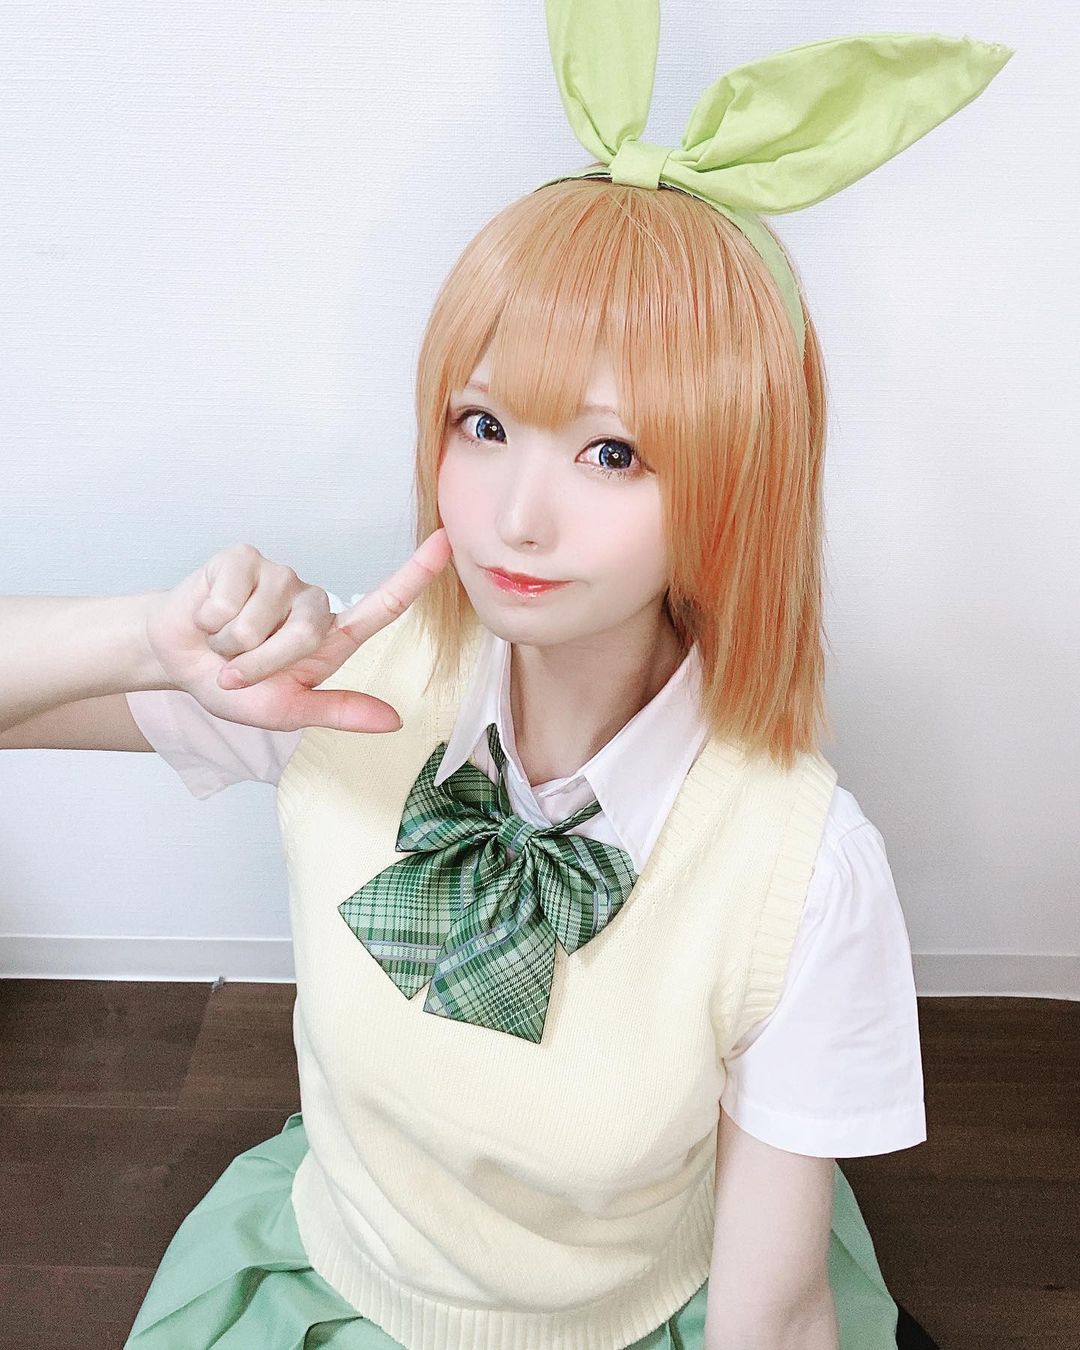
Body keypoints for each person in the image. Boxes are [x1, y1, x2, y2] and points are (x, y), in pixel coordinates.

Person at [0, 5, 1012, 1346]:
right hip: (327, 1282)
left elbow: (771, 1317)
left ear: (735, 484)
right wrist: (152, 638)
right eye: (483, 423)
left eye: (612, 453)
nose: (515, 517)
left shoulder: (798, 870)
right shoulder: (346, 678)